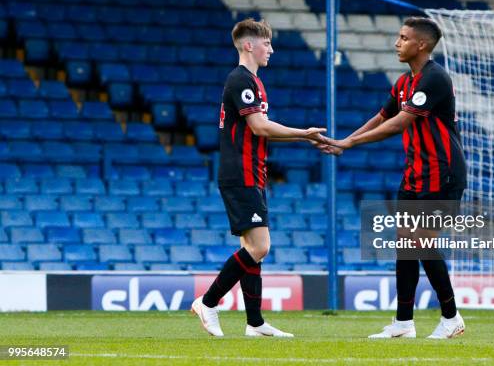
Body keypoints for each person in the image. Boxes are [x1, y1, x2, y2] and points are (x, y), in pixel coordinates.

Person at [321, 17, 467, 339]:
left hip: (442, 174)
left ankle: (451, 317)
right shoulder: (404, 83)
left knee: (421, 242)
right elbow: (382, 116)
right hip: (416, 173)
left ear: (422, 45)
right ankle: (403, 323)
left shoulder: (435, 79)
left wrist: (350, 143)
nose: (396, 43)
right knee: (406, 245)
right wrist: (344, 141)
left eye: (403, 38)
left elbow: (400, 123)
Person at [191, 18, 326, 337]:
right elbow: (260, 127)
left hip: (250, 171)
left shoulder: (251, 81)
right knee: (260, 246)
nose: (272, 50)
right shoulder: (241, 80)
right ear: (249, 45)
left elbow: (260, 128)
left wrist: (300, 137)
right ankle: (208, 302)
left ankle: (255, 323)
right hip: (241, 172)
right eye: (267, 44)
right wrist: (303, 134)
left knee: (251, 245)